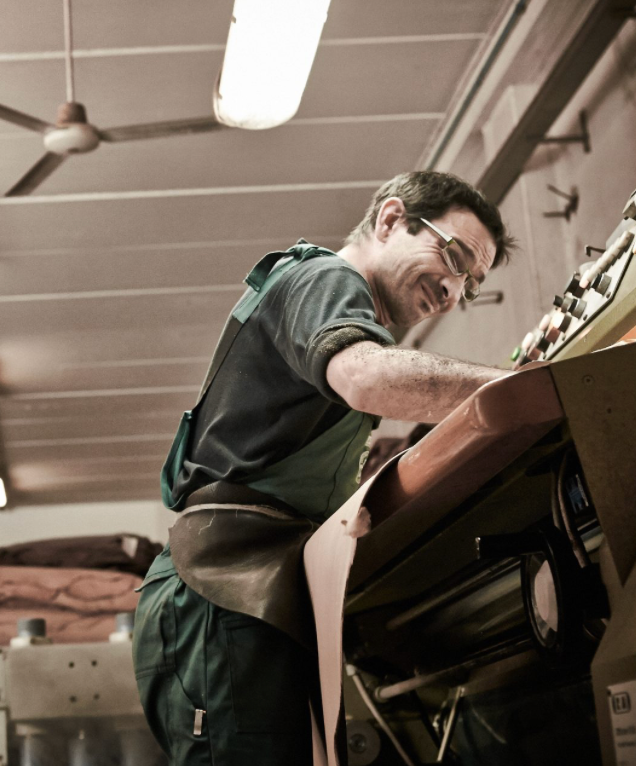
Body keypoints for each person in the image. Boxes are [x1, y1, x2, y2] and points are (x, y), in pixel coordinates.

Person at [133, 171, 516, 765]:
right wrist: (526, 390)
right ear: (391, 220)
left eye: (470, 284)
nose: (454, 289)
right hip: (222, 591)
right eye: (454, 256)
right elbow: (367, 377)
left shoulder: (334, 318)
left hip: (243, 591)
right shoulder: (325, 278)